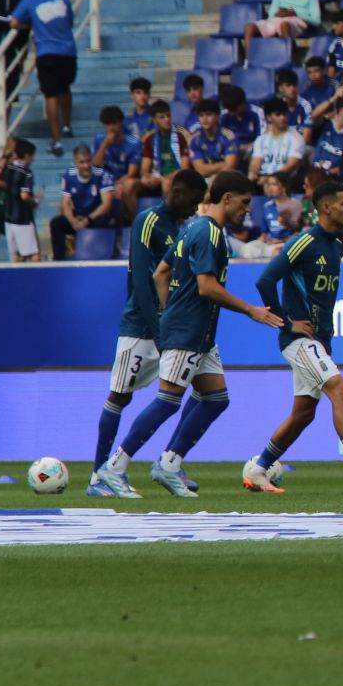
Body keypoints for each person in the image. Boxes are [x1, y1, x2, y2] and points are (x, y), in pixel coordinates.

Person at [244, 180, 343, 493]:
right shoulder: (304, 242)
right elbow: (265, 280)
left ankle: (260, 470)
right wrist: (286, 323)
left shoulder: (337, 244)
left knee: (302, 414)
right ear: (326, 208)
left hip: (319, 342)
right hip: (298, 341)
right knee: (340, 390)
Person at [136, 171, 286, 497]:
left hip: (197, 332)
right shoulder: (210, 234)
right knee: (167, 401)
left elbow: (162, 272)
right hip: (188, 330)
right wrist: (252, 311)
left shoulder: (196, 227)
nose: (248, 210)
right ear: (227, 198)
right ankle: (116, 466)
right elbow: (207, 287)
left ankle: (169, 463)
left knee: (216, 399)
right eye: (245, 202)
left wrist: (167, 310)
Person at [84, 170, 207, 497]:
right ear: (177, 194)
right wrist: (157, 329)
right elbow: (140, 279)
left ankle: (171, 460)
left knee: (206, 391)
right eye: (192, 202)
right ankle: (99, 476)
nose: (194, 209)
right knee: (120, 396)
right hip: (142, 326)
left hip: (175, 326)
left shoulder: (186, 226)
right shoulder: (148, 220)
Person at [9, 0, 77, 155]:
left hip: (47, 52)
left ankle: (56, 140)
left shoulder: (30, 1)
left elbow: (14, 22)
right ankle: (67, 126)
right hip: (68, 51)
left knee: (51, 95)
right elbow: (70, 21)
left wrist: (31, 25)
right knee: (65, 88)